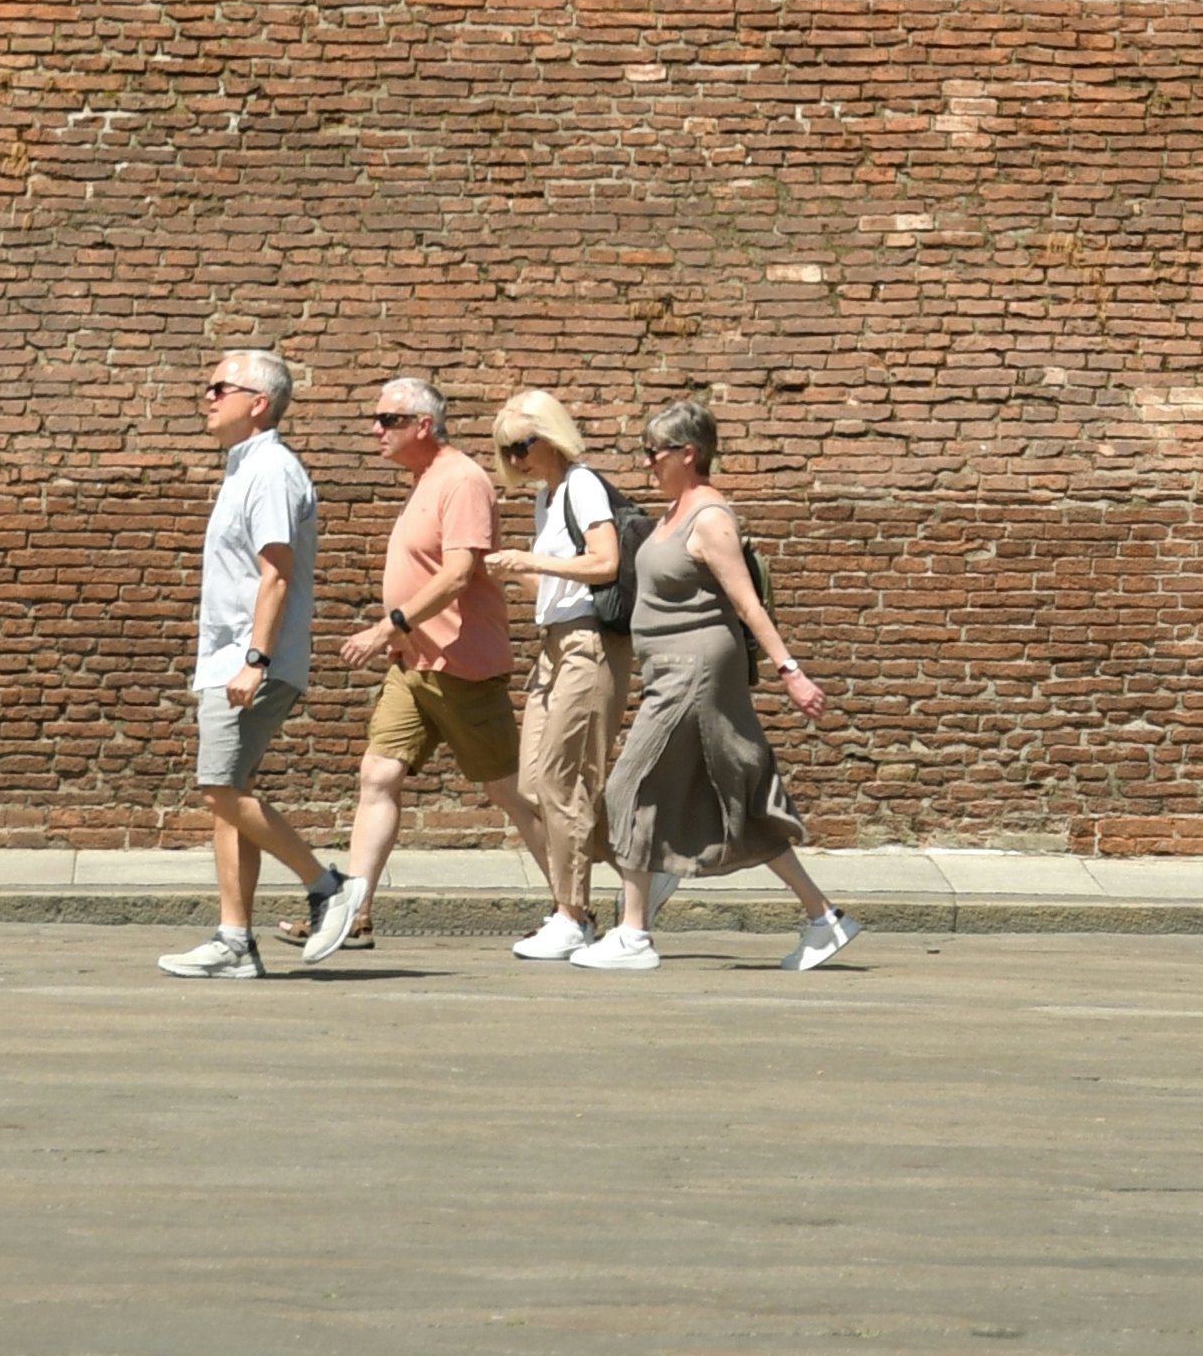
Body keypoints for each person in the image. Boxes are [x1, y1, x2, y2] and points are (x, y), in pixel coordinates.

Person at [577, 400, 852, 973]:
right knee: (736, 800)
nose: (648, 461)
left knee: (629, 786)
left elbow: (747, 604)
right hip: (669, 672)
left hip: (697, 672)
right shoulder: (676, 511)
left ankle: (632, 935)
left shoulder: (710, 519)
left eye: (656, 451)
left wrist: (791, 671)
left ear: (688, 453)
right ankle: (823, 918)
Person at [297, 374, 544, 965]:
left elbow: (461, 572)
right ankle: (352, 915)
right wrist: (401, 638)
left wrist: (391, 625)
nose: (374, 430)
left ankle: (574, 907)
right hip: (413, 666)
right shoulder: (427, 480)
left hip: (460, 665)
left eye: (386, 420)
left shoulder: (461, 481)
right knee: (377, 777)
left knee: (509, 791)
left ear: (423, 426)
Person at [161, 349, 347, 977]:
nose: (207, 396)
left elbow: (276, 573)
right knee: (227, 794)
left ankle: (328, 886)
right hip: (229, 659)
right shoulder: (245, 468)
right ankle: (234, 941)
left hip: (248, 662)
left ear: (258, 403)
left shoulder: (270, 469)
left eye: (220, 387)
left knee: (217, 787)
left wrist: (254, 659)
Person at [495, 386, 635, 964]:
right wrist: (505, 573)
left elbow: (605, 564)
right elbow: (556, 583)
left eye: (522, 446)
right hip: (554, 644)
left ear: (550, 436)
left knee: (562, 779)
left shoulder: (582, 485)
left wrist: (530, 560)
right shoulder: (548, 498)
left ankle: (572, 915)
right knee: (533, 783)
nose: (515, 460)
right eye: (507, 451)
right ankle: (637, 865)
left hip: (589, 645)